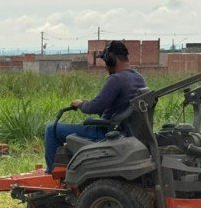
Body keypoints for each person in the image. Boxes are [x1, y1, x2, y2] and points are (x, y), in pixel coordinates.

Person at [44, 40, 147, 172]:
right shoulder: (139, 78)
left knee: (51, 129)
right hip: (125, 132)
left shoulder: (116, 79)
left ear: (112, 59)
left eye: (105, 61)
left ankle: (52, 173)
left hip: (106, 133)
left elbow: (94, 107)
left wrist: (81, 104)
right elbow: (116, 105)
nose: (105, 66)